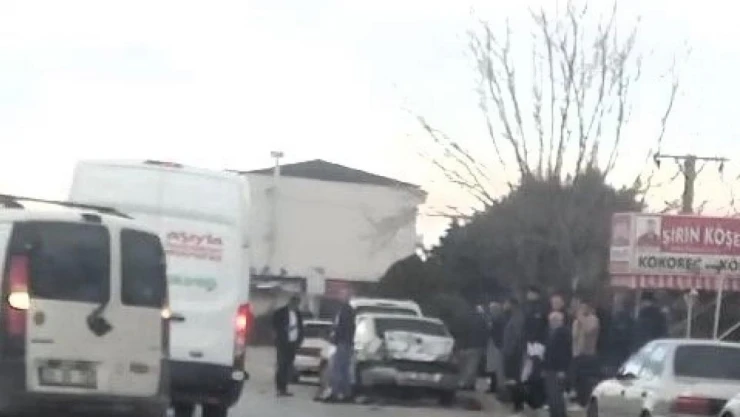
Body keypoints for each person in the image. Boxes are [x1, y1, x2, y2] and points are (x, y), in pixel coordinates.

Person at [271, 295, 304, 397]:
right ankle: (279, 388)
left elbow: (301, 327)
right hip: (282, 343)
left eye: (298, 304)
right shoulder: (280, 312)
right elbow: (274, 325)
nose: (297, 306)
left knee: (288, 366)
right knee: (281, 365)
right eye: (295, 304)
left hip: (293, 343)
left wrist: (299, 340)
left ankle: (284, 388)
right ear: (291, 302)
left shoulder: (298, 314)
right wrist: (285, 329)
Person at [327, 289, 356, 402]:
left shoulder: (346, 310)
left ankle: (335, 393)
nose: (340, 297)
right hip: (345, 342)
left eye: (343, 295)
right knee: (344, 369)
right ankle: (346, 393)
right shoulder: (344, 310)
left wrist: (336, 337)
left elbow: (343, 327)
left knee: (338, 368)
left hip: (343, 342)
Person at [572, 299, 600, 407]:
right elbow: (574, 336)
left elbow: (589, 330)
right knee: (577, 379)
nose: (582, 310)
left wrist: (581, 318)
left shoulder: (594, 319)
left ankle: (585, 401)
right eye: (580, 308)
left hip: (589, 354)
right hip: (577, 354)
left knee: (586, 379)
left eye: (584, 308)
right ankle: (578, 399)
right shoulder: (576, 321)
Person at [543, 311, 571, 417]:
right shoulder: (552, 333)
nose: (551, 323)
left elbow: (564, 353)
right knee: (553, 395)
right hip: (551, 368)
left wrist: (562, 370)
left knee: (556, 395)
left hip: (557, 369)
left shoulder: (563, 334)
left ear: (559, 321)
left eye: (553, 320)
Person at [502, 297, 527, 414]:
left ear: (512, 304)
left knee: (515, 379)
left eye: (506, 303)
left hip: (515, 354)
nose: (504, 305)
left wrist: (511, 351)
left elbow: (517, 336)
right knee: (512, 379)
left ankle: (518, 405)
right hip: (511, 352)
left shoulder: (517, 317)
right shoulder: (513, 316)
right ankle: (515, 403)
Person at [457, 304, 489, 391]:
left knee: (464, 366)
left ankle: (463, 383)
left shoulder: (465, 319)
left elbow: (461, 332)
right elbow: (485, 334)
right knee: (472, 367)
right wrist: (484, 347)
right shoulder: (483, 321)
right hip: (476, 347)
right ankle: (468, 384)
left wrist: (460, 346)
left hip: (465, 346)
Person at [605, 293, 634, 375]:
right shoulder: (629, 320)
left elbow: (610, 335)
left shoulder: (616, 318)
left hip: (615, 352)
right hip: (624, 351)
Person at [486, 301, 506, 393]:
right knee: (492, 366)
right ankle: (494, 386)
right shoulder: (497, 319)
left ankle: (497, 387)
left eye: (492, 309)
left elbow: (494, 331)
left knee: (496, 367)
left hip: (496, 344)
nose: (491, 311)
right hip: (494, 343)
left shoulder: (498, 319)